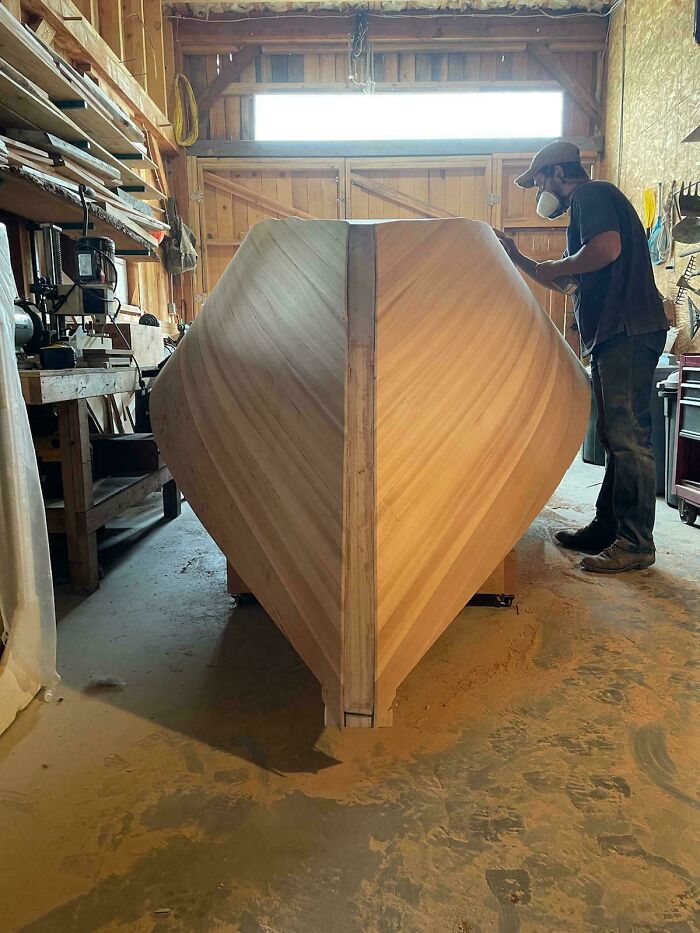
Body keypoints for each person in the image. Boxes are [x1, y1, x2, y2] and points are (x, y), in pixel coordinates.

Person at [494, 140, 668, 574]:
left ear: (557, 173)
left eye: (537, 181)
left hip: (626, 330)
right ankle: (608, 527)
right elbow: (571, 281)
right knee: (614, 437)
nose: (538, 193)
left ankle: (635, 542)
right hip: (614, 333)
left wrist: (557, 264)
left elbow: (606, 250)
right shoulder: (585, 212)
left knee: (628, 438)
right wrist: (520, 259)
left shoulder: (592, 195)